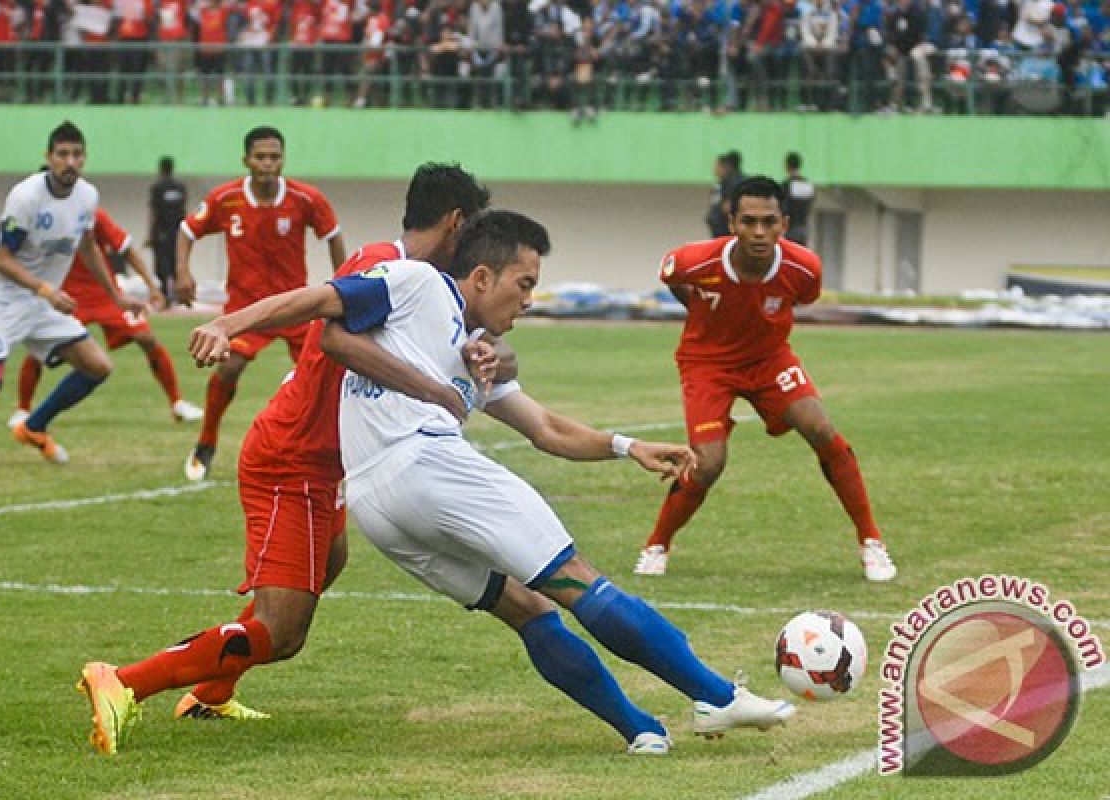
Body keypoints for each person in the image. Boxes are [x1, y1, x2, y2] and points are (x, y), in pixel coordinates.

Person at [323, 210, 794, 754]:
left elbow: (545, 428)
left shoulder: (464, 344)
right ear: (482, 276)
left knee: (528, 607)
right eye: (523, 285)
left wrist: (628, 447)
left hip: (375, 505)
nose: (527, 301)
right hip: (425, 464)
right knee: (575, 579)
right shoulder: (424, 291)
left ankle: (639, 729)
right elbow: (325, 311)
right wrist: (231, 325)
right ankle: (715, 695)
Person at [75, 164, 494, 754]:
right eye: (476, 232)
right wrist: (228, 321)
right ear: (456, 222)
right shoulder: (380, 262)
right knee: (282, 630)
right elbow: (309, 305)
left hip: (329, 462)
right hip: (294, 457)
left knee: (332, 557)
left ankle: (210, 694)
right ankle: (121, 682)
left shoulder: (422, 283)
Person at [634, 176, 897, 582]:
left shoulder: (803, 268)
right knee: (709, 464)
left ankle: (871, 542)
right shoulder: (693, 261)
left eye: (769, 221)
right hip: (707, 364)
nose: (759, 232)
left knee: (820, 427)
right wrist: (700, 309)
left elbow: (801, 298)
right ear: (731, 222)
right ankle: (657, 544)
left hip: (770, 360)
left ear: (784, 223)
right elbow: (672, 278)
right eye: (749, 221)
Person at [0, 121, 146, 471]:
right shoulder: (26, 197)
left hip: (39, 301)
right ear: (48, 157)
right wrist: (47, 290)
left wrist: (116, 295)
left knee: (97, 366)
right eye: (62, 154)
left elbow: (88, 247)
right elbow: (3, 260)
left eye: (77, 155)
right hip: (0, 298)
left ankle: (34, 427)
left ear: (85, 159)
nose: (70, 162)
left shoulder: (87, 197)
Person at [176, 125, 347, 482]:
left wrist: (342, 285)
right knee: (229, 368)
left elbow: (332, 237)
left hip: (294, 306)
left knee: (326, 374)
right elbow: (187, 231)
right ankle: (206, 441)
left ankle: (330, 448)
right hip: (245, 308)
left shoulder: (305, 199)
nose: (268, 164)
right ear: (246, 160)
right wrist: (182, 271)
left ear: (283, 160)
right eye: (260, 157)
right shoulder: (226, 200)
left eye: (274, 157)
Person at [8, 207, 204, 427]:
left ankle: (177, 403)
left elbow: (126, 249)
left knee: (146, 338)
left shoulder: (91, 213)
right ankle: (23, 409)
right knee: (40, 349)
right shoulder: (39, 218)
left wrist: (151, 285)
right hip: (66, 296)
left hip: (105, 294)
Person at [147, 156, 187, 304]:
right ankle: (177, 294)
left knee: (162, 265)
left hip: (161, 232)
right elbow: (184, 211)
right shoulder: (180, 187)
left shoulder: (157, 188)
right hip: (177, 232)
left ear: (161, 169)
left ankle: (165, 295)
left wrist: (151, 234)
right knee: (175, 262)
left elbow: (153, 213)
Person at [704, 150, 743, 238]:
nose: (714, 169)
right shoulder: (723, 182)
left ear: (725, 167)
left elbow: (727, 206)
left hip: (724, 230)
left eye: (717, 166)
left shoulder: (729, 182)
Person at [780, 152, 815, 246]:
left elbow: (783, 208)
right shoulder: (808, 184)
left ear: (787, 166)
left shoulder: (786, 185)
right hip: (804, 229)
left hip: (790, 230)